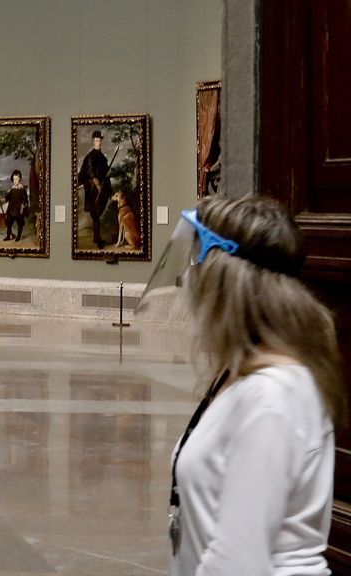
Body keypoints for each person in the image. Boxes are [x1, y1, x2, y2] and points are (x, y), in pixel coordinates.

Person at [137, 195, 344, 576]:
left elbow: (237, 563)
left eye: (195, 261)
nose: (188, 277)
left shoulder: (272, 397)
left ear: (222, 280)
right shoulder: (242, 373)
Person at [77, 130, 113, 248]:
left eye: (100, 140)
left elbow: (105, 172)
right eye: (96, 140)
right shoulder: (91, 155)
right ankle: (97, 240)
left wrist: (108, 173)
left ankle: (97, 239)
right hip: (93, 190)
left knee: (97, 214)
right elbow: (90, 171)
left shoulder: (102, 156)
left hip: (101, 188)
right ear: (93, 141)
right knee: (96, 214)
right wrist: (97, 183)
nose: (99, 142)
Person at [3, 169, 29, 242]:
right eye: (14, 179)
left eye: (16, 179)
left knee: (20, 224)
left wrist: (23, 207)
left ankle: (18, 236)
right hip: (11, 209)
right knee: (9, 224)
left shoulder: (22, 190)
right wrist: (8, 193)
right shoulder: (12, 189)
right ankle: (8, 236)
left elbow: (25, 200)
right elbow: (7, 198)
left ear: (20, 179)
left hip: (18, 210)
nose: (15, 181)